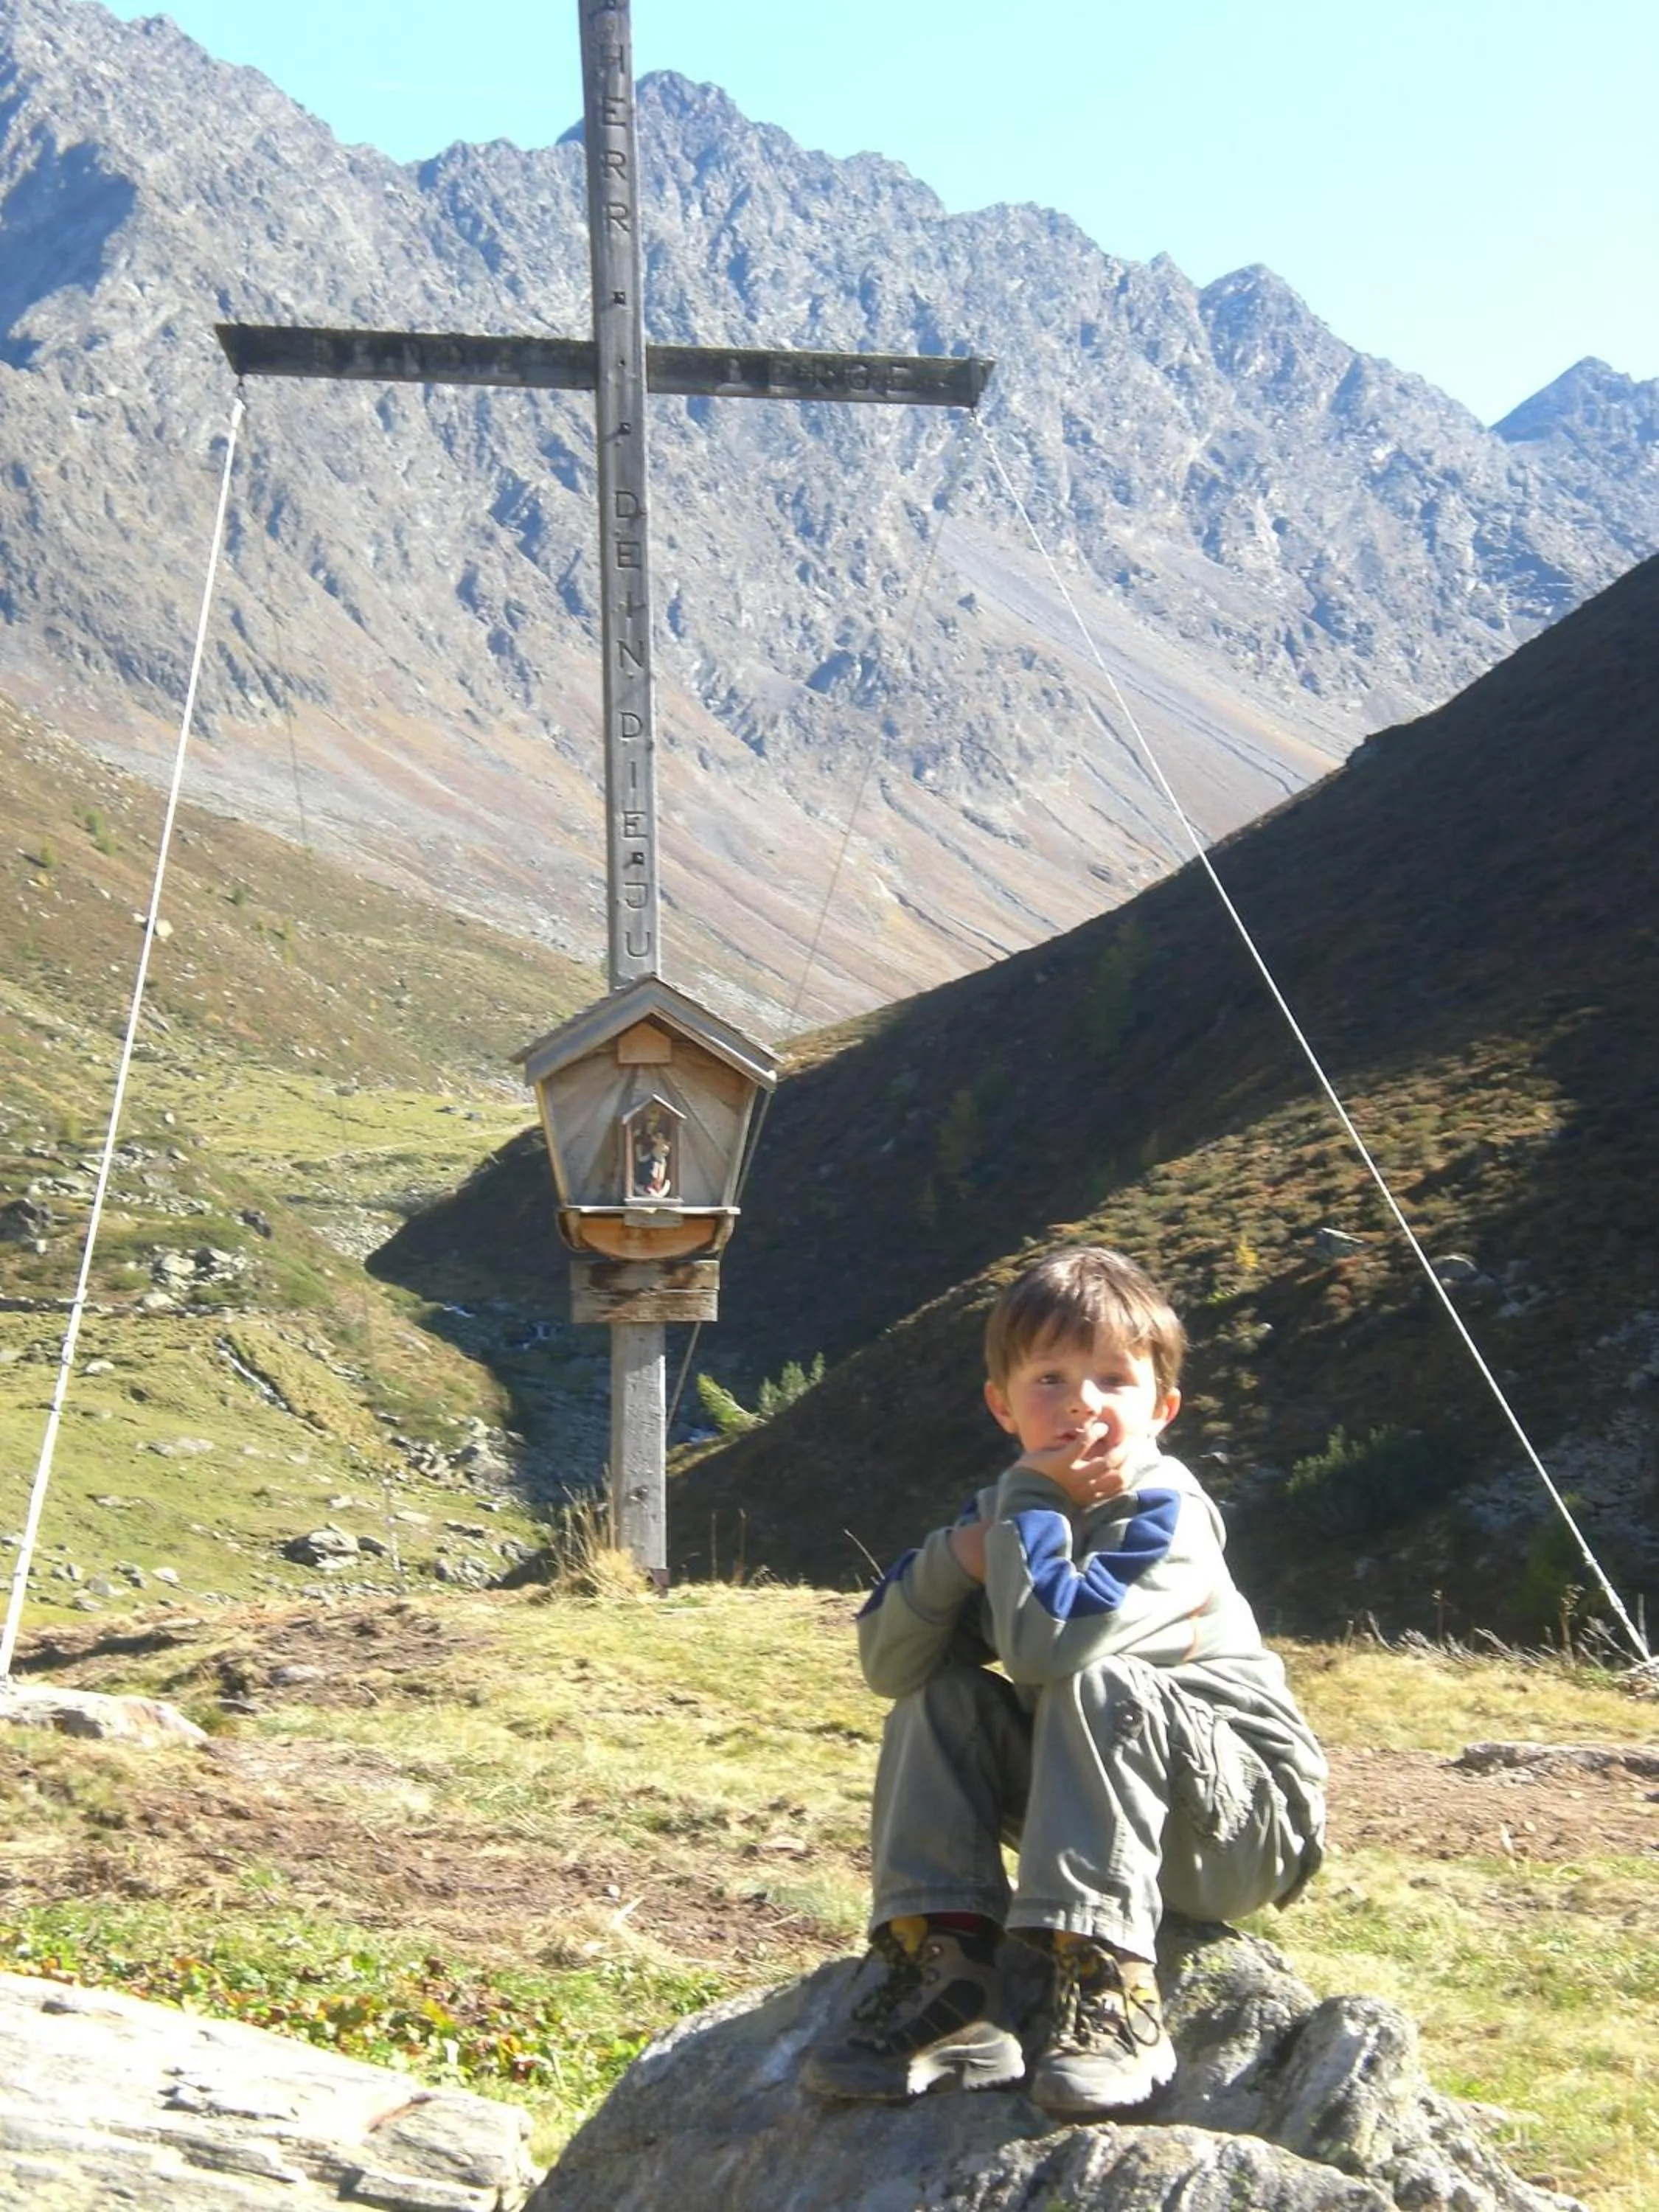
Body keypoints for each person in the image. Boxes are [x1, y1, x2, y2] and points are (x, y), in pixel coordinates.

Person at [802, 1245, 1327, 2120]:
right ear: (1002, 1406)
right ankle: (948, 1975)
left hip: (1238, 1826)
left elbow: (1052, 1650)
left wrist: (1027, 1511)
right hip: (1101, 1805)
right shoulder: (1009, 1511)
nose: (1082, 1403)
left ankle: (1107, 1983)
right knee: (942, 1700)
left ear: (1161, 1409)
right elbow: (887, 1666)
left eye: (1113, 1380)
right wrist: (957, 1555)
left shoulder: (1165, 1510)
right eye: (1050, 1378)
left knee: (1102, 1682)